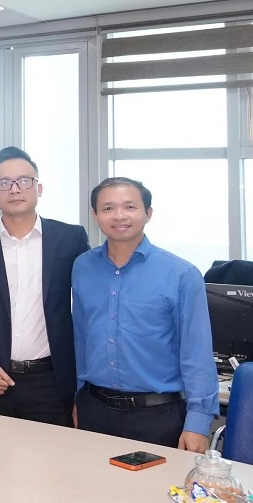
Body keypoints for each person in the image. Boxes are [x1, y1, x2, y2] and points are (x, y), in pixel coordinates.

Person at [73, 177, 218, 452]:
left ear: (148, 213)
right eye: (108, 208)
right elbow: (81, 337)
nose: (119, 216)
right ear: (95, 215)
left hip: (157, 417)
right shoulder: (83, 266)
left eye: (130, 207)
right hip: (94, 410)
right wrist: (77, 397)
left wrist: (198, 423)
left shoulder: (181, 274)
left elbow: (196, 353)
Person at [0, 146, 89, 426]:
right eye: (4, 182)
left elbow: (90, 301)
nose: (14, 189)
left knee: (52, 452)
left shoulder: (70, 238)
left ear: (38, 188)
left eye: (24, 181)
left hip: (52, 380)